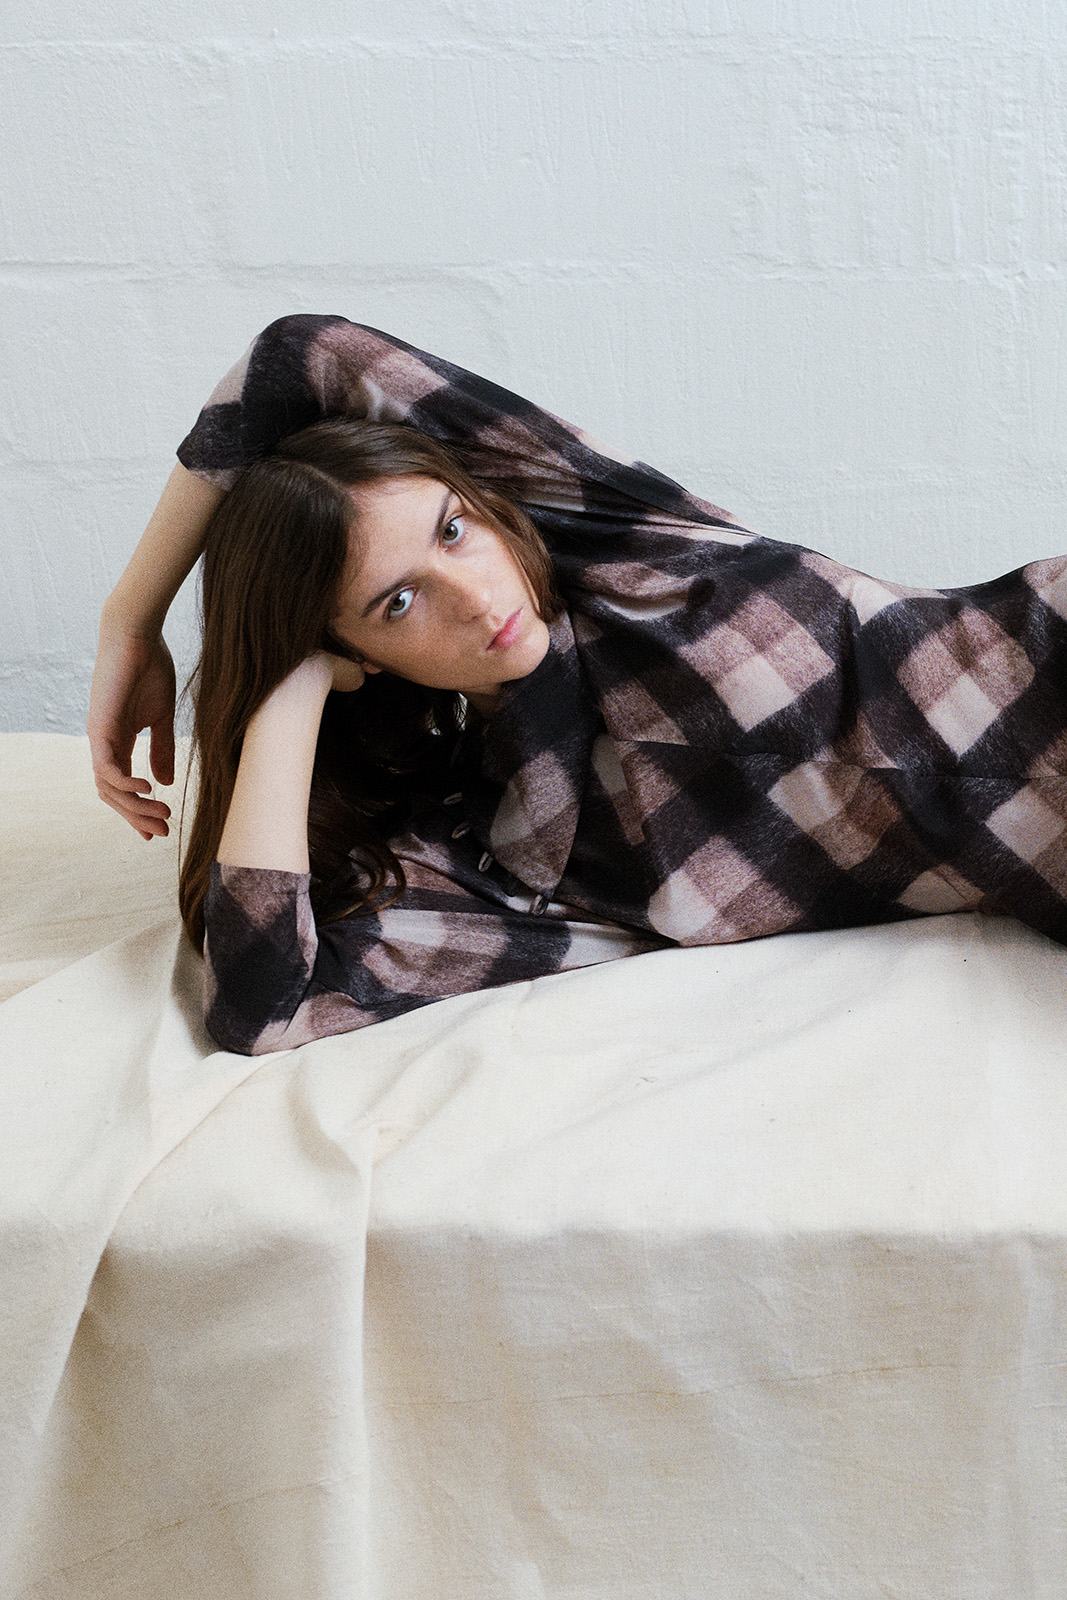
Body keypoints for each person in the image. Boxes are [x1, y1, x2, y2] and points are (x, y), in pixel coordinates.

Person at [89, 313, 1067, 1055]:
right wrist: (287, 687)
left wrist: (130, 618)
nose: (472, 595)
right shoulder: (504, 850)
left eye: (452, 529)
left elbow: (296, 355)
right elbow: (262, 1004)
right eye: (396, 603)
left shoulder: (620, 548)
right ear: (359, 658)